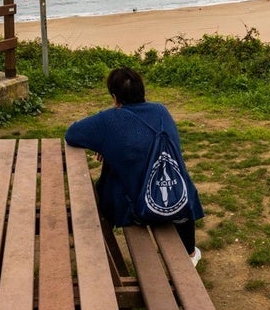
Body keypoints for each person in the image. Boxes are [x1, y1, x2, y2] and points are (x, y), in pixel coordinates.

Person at [65, 67, 204, 266]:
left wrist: (107, 144)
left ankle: (97, 239)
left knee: (112, 176)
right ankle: (190, 253)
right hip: (178, 200)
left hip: (136, 211)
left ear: (114, 97)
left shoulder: (109, 119)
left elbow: (72, 134)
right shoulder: (161, 110)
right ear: (142, 91)